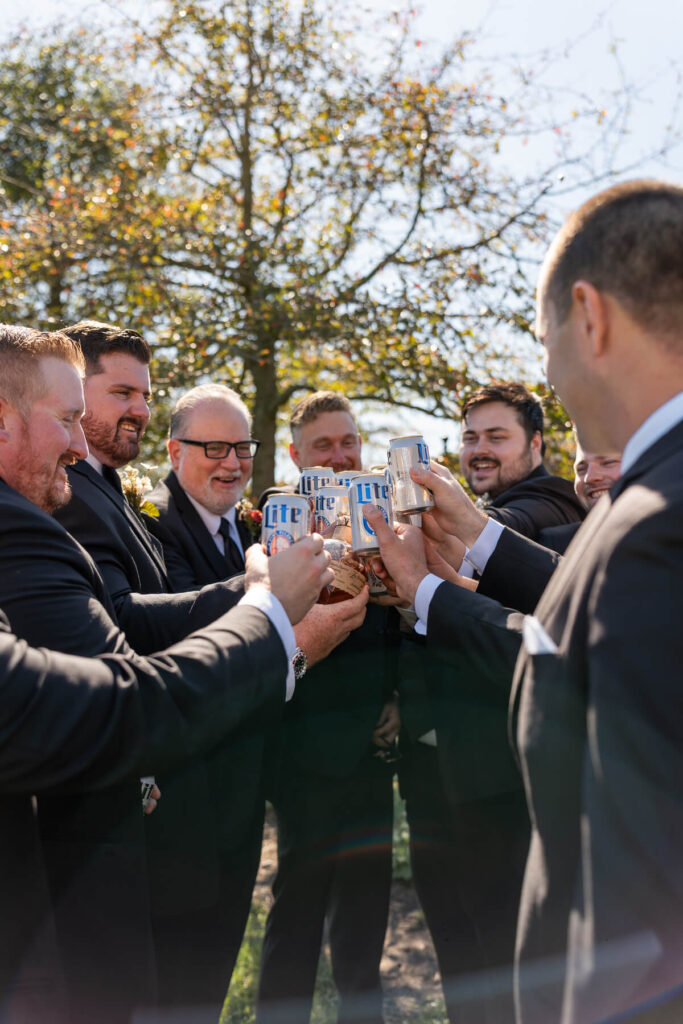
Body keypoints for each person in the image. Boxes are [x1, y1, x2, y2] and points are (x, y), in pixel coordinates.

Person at [368, 179, 683, 1024]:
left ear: (589, 318)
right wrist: (475, 538)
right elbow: (590, 613)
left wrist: (426, 590)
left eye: (544, 340)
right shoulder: (652, 492)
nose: (548, 366)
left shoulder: (660, 519)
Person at [0, 325, 333, 1024]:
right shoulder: (24, 525)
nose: (79, 445)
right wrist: (269, 614)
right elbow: (118, 702)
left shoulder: (93, 496)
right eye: (69, 417)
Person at [396, 384, 585, 1023]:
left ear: (536, 444)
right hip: (437, 773)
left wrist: (452, 532)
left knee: (508, 964)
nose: (479, 449)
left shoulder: (549, 503)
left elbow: (510, 531)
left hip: (503, 786)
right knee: (460, 959)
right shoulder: (475, 509)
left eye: (496, 437)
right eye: (470, 436)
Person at [257, 391, 399, 1024]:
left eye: (348, 442)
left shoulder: (386, 518)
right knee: (297, 913)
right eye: (323, 446)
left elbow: (402, 625)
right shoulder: (278, 524)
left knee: (366, 920)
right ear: (296, 455)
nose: (340, 457)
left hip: (373, 752)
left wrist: (397, 696)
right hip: (305, 756)